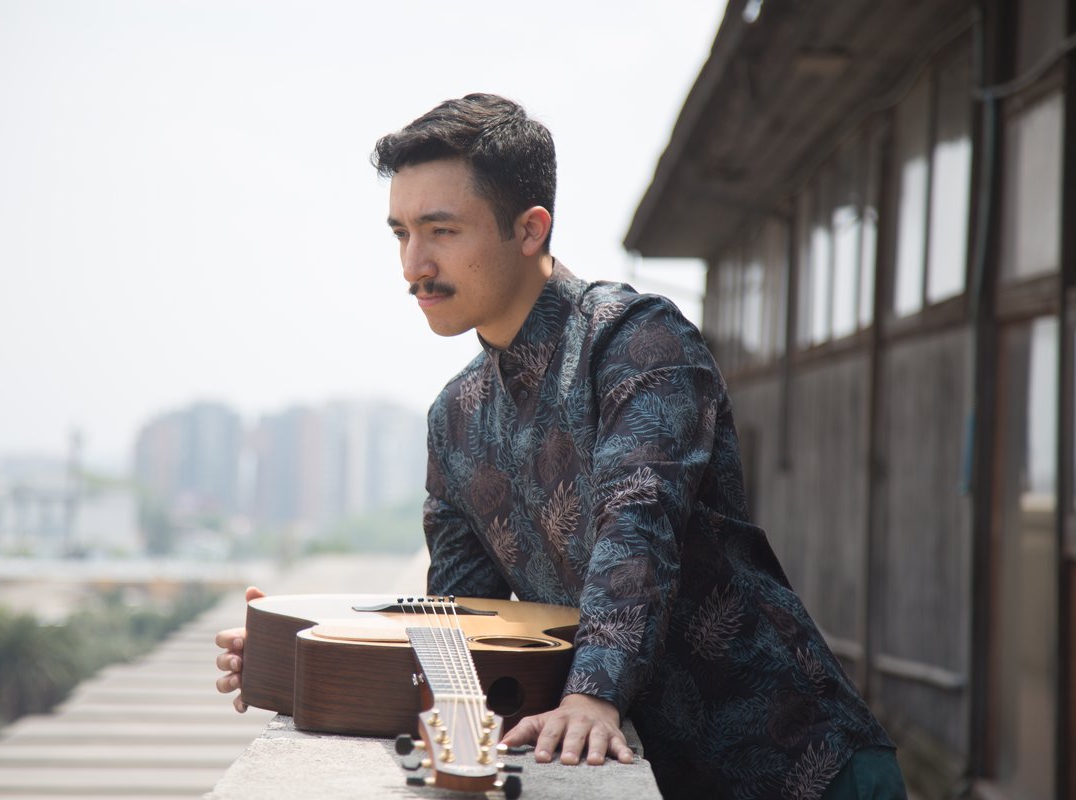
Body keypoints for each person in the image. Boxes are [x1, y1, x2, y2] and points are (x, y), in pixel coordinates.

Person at [215, 93, 906, 799]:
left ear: (529, 229)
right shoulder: (454, 417)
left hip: (802, 767)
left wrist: (592, 695)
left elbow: (638, 524)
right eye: (401, 234)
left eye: (441, 230)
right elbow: (465, 629)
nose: (413, 264)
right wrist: (303, 664)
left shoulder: (638, 341)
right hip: (648, 771)